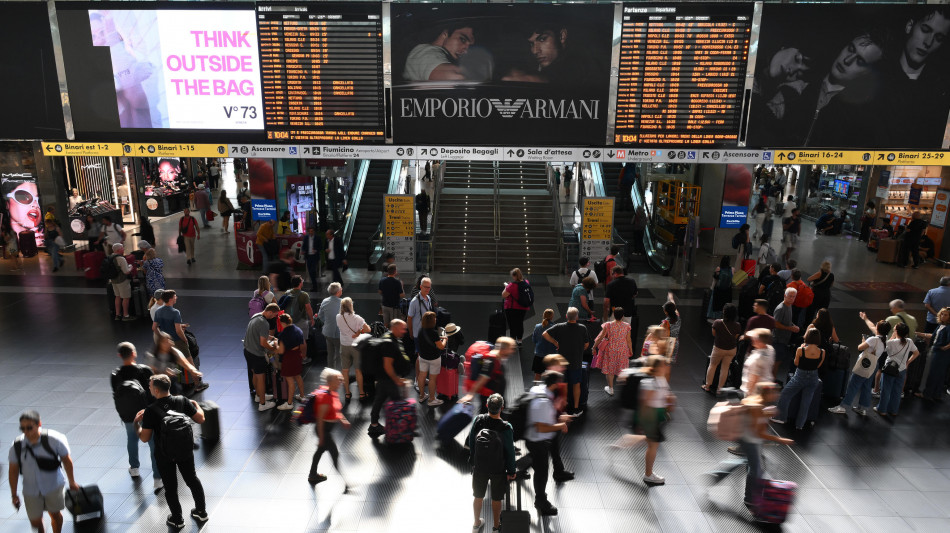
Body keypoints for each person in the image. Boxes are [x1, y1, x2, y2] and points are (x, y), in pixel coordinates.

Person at [135, 374, 208, 529]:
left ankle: (177, 519)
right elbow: (201, 419)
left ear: (155, 389)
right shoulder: (183, 401)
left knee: (170, 487)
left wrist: (137, 423)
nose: (149, 388)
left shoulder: (150, 411)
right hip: (185, 450)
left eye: (149, 386)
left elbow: (144, 438)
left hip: (164, 455)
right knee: (192, 480)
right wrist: (197, 405)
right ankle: (201, 512)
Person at [872, 5, 950, 148]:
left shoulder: (939, 95)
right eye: (925, 30)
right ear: (909, 26)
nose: (928, 42)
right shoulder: (874, 78)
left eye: (938, 37)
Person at [705, 383, 794, 507]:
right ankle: (749, 499)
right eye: (775, 392)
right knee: (756, 470)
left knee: (743, 461)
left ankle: (715, 476)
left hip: (744, 438)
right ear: (767, 394)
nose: (777, 395)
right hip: (750, 441)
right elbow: (759, 432)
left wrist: (765, 414)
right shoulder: (757, 407)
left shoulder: (754, 401)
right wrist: (780, 440)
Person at [8, 410, 79, 533]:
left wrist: (72, 482)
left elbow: (67, 461)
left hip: (53, 486)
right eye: (23, 428)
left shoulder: (54, 439)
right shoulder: (17, 446)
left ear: (39, 424)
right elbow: (13, 471)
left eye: (29, 428)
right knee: (35, 521)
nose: (26, 432)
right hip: (31, 490)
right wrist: (14, 494)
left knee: (55, 515)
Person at [111, 342, 162, 489]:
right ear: (134, 353)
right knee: (153, 444)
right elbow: (154, 391)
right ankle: (157, 478)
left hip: (128, 414)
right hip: (147, 412)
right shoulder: (145, 370)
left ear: (119, 355)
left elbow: (116, 393)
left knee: (132, 440)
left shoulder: (115, 374)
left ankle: (134, 468)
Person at [524, 371, 572, 515]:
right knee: (541, 473)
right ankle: (540, 501)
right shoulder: (544, 401)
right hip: (537, 441)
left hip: (534, 439)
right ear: (554, 384)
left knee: (539, 466)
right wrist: (560, 425)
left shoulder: (536, 390)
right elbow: (541, 427)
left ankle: (521, 466)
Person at [468, 393, 517, 532]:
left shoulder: (478, 420)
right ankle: (496, 527)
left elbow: (472, 441)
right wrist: (512, 471)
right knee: (496, 498)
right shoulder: (506, 427)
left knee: (478, 496)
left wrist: (474, 459)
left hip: (479, 466)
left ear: (487, 405)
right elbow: (510, 452)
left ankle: (476, 524)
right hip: (498, 468)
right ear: (502, 408)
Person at [829, 320, 891, 416]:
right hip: (874, 365)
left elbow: (859, 348)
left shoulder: (873, 340)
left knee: (853, 384)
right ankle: (863, 408)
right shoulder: (885, 339)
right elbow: (872, 329)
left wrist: (863, 341)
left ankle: (843, 407)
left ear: (878, 328)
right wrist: (865, 318)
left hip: (865, 365)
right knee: (866, 386)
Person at [368, 320, 413, 437]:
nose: (404, 331)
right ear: (395, 328)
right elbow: (387, 365)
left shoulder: (390, 338)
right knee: (397, 402)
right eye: (402, 329)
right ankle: (399, 428)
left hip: (384, 378)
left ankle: (374, 425)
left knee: (379, 400)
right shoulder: (389, 343)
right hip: (388, 379)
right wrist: (396, 379)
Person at [773, 328, 825, 429]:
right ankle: (800, 425)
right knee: (806, 401)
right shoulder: (822, 352)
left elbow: (796, 363)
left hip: (800, 376)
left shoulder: (801, 350)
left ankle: (781, 418)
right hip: (814, 378)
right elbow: (818, 365)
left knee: (785, 394)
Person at [542, 308, 590, 414]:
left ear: (566, 316)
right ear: (577, 317)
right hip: (576, 362)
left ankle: (564, 408)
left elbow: (545, 334)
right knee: (576, 385)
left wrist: (555, 343)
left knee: (563, 385)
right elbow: (586, 344)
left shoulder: (559, 327)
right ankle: (576, 409)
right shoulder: (582, 328)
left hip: (561, 363)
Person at [308, 368, 351, 486]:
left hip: (326, 430)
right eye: (338, 380)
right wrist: (321, 437)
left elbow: (336, 409)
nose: (341, 382)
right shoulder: (325, 397)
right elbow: (320, 420)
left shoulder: (333, 392)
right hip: (324, 430)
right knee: (334, 453)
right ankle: (345, 482)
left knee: (320, 450)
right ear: (330, 382)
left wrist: (343, 420)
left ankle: (312, 474)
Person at [639, 355, 674, 485]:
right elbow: (646, 403)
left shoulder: (661, 380)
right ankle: (648, 474)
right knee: (652, 445)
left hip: (657, 416)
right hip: (651, 417)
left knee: (651, 443)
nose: (666, 367)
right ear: (656, 368)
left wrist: (667, 407)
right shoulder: (651, 383)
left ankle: (620, 445)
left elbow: (664, 398)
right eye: (663, 365)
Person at [402, 24, 475, 81]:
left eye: (469, 46)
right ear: (445, 34)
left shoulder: (444, 56)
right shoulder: (426, 52)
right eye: (462, 39)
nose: (466, 51)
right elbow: (456, 76)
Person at [877, 322, 920, 417]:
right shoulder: (909, 341)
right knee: (897, 392)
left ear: (896, 331)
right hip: (902, 369)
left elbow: (884, 349)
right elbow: (916, 353)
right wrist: (907, 362)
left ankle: (882, 409)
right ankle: (894, 411)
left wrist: (892, 336)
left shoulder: (891, 342)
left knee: (885, 390)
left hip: (889, 369)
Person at [461, 337, 517, 410]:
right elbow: (483, 378)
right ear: (503, 349)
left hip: (496, 396)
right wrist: (471, 394)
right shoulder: (490, 360)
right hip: (490, 398)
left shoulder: (499, 357)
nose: (513, 351)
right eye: (511, 348)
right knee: (486, 415)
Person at [244, 303, 279, 411]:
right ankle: (263, 404)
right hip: (257, 354)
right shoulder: (264, 323)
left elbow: (259, 333)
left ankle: (258, 396)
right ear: (269, 312)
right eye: (274, 315)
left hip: (247, 350)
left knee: (254, 373)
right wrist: (273, 348)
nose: (274, 317)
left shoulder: (256, 316)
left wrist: (270, 337)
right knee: (261, 378)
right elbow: (263, 343)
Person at [336, 297, 371, 401]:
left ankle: (347, 393)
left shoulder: (338, 317)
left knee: (345, 371)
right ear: (351, 306)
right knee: (358, 371)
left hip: (344, 345)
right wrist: (359, 332)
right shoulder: (357, 318)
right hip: (356, 346)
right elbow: (368, 329)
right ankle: (361, 393)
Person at [592, 307, 632, 395]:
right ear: (622, 316)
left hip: (610, 350)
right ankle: (624, 390)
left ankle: (611, 389)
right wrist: (631, 350)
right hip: (622, 349)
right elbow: (628, 340)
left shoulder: (608, 325)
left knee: (610, 370)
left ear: (613, 315)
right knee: (622, 369)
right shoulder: (627, 326)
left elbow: (601, 337)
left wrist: (594, 347)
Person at [703, 303, 742, 392]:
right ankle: (720, 389)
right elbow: (736, 337)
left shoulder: (718, 322)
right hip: (731, 349)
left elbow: (714, 334)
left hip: (719, 348)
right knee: (725, 368)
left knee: (713, 365)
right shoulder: (737, 325)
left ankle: (707, 385)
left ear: (724, 312)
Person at [415, 311, 446, 407]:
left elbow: (427, 340)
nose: (436, 319)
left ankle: (422, 396)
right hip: (434, 359)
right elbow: (441, 347)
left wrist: (439, 338)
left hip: (423, 357)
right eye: (434, 318)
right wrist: (444, 339)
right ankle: (432, 399)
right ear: (432, 321)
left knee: (421, 376)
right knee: (432, 379)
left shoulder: (420, 330)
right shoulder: (434, 332)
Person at [276, 314, 305, 410]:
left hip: (289, 358)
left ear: (283, 323)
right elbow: (303, 344)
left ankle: (289, 403)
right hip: (297, 355)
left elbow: (281, 351)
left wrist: (275, 347)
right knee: (298, 376)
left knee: (290, 380)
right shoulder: (298, 330)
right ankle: (302, 396)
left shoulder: (283, 334)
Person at [772, 288, 801, 377]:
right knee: (776, 363)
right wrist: (789, 328)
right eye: (790, 296)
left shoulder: (789, 306)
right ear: (785, 296)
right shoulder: (781, 308)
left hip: (783, 340)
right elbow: (775, 324)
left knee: (778, 361)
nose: (792, 298)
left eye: (793, 297)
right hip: (778, 340)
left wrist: (793, 326)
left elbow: (787, 321)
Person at [922, 307, 950, 401]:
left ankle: (928, 394)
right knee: (939, 374)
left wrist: (944, 348)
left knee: (934, 373)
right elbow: (934, 336)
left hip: (941, 353)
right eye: (942, 314)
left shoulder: (948, 327)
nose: (943, 316)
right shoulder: (941, 325)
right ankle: (936, 394)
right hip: (938, 351)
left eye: (945, 315)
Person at [501, 268, 531, 345]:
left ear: (514, 276)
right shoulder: (526, 282)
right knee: (520, 323)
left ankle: (513, 341)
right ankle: (520, 340)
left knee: (512, 324)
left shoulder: (511, 286)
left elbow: (504, 295)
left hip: (511, 307)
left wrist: (506, 287)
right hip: (523, 307)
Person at [318, 283, 344, 371]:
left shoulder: (325, 301)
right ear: (338, 291)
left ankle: (330, 374)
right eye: (341, 289)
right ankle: (338, 374)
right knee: (339, 355)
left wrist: (327, 322)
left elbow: (320, 315)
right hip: (339, 333)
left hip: (327, 332)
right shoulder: (343, 303)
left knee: (330, 354)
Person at [107, 243, 134, 321]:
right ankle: (126, 315)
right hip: (122, 281)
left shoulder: (110, 257)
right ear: (118, 250)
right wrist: (130, 267)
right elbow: (126, 272)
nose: (123, 249)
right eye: (122, 248)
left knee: (117, 297)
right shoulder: (121, 258)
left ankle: (117, 315)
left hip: (113, 280)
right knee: (126, 298)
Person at [531, 309, 558, 380]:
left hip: (539, 354)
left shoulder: (537, 327)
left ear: (543, 316)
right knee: (551, 374)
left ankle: (536, 388)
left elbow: (534, 340)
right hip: (551, 355)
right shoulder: (555, 327)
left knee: (537, 374)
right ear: (552, 317)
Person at [660, 296, 681, 363]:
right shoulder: (678, 317)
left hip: (668, 343)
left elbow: (663, 333)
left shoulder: (666, 322)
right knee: (668, 364)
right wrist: (671, 299)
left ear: (666, 312)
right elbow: (675, 309)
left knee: (663, 363)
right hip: (675, 342)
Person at [301, 226, 322, 291]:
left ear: (314, 231)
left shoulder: (318, 238)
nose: (311, 232)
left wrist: (316, 250)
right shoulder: (306, 238)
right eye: (309, 231)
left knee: (313, 270)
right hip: (308, 256)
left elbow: (320, 246)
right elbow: (303, 246)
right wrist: (303, 250)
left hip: (314, 257)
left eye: (312, 231)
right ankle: (314, 283)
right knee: (310, 271)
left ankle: (315, 285)